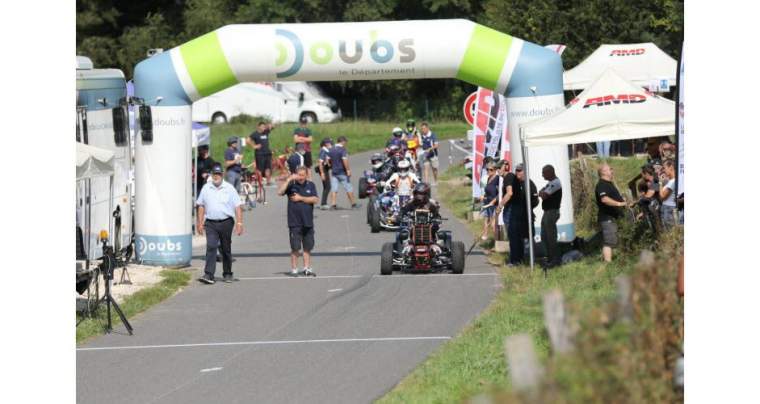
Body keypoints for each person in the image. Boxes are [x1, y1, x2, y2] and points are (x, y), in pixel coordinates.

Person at [196, 164, 244, 284]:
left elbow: (238, 206)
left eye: (218, 174)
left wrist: (239, 223)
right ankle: (208, 274)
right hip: (210, 223)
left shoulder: (229, 188)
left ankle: (227, 273)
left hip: (226, 222)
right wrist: (200, 222)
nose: (216, 176)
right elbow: (201, 205)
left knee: (225, 248)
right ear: (211, 175)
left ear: (222, 175)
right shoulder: (206, 188)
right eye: (214, 174)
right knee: (211, 247)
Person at [277, 165, 320, 276]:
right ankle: (294, 269)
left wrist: (301, 198)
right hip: (294, 222)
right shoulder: (291, 185)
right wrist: (288, 179)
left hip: (307, 221)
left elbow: (315, 199)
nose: (300, 177)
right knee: (295, 247)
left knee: (307, 247)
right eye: (298, 175)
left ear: (306, 175)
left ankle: (306, 268)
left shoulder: (311, 185)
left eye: (302, 175)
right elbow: (280, 192)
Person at [507, 164, 538, 266]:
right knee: (516, 240)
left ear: (524, 171)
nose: (517, 173)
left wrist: (527, 208)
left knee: (528, 239)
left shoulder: (529, 184)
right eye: (516, 170)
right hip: (516, 218)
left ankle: (531, 261)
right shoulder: (515, 184)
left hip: (527, 217)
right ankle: (517, 261)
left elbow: (535, 200)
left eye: (519, 171)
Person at [595, 163, 627, 262]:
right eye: (610, 169)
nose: (612, 170)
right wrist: (619, 204)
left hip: (615, 216)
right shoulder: (601, 184)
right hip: (607, 217)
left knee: (616, 239)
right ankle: (608, 264)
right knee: (609, 241)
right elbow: (604, 199)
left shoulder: (609, 183)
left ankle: (616, 259)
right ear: (604, 172)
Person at [539, 165, 562, 268]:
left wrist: (542, 193)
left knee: (551, 237)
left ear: (550, 172)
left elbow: (544, 195)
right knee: (544, 236)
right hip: (547, 212)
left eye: (544, 172)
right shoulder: (550, 183)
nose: (542, 175)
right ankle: (548, 257)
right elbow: (541, 192)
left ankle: (555, 259)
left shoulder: (556, 183)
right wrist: (541, 192)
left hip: (552, 212)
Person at [328, 136, 359, 209]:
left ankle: (333, 204)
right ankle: (353, 204)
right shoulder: (342, 150)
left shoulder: (331, 149)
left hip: (334, 172)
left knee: (334, 189)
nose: (346, 144)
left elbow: (328, 160)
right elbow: (345, 160)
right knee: (348, 188)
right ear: (343, 141)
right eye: (345, 142)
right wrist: (348, 170)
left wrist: (332, 166)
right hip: (342, 172)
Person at [249, 121, 274, 186]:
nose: (264, 128)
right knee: (259, 169)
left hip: (267, 153)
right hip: (260, 154)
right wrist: (254, 146)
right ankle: (260, 182)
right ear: (259, 127)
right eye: (262, 126)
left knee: (268, 168)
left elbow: (272, 127)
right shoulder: (255, 134)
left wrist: (270, 125)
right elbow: (248, 140)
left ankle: (268, 181)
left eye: (264, 127)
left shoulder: (266, 132)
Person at [480, 162, 500, 241]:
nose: (488, 171)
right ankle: (485, 237)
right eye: (487, 169)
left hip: (494, 204)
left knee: (493, 224)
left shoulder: (497, 179)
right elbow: (487, 191)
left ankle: (497, 241)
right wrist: (483, 196)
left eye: (490, 170)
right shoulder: (489, 178)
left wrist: (495, 201)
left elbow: (500, 192)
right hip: (487, 203)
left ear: (495, 170)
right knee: (486, 220)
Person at [658, 159, 678, 229]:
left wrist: (660, 183)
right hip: (666, 207)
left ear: (671, 167)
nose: (663, 170)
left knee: (670, 231)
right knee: (666, 230)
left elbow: (662, 197)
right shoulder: (670, 181)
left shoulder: (674, 181)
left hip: (669, 208)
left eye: (664, 168)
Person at [317, 138, 333, 210]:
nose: (331, 144)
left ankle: (323, 203)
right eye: (330, 143)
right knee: (327, 186)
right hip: (323, 170)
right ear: (326, 144)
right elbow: (320, 163)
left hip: (325, 169)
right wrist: (322, 173)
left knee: (326, 187)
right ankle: (323, 204)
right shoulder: (323, 151)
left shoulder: (327, 150)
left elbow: (327, 161)